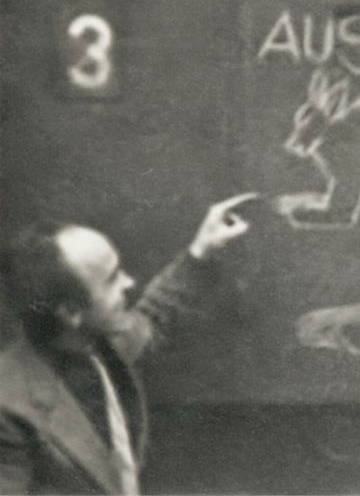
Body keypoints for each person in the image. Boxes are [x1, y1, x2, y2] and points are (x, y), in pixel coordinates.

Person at [0, 193, 257, 494]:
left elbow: (155, 313)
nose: (129, 282)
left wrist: (201, 250)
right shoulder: (8, 405)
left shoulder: (100, 341)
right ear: (71, 312)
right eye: (112, 280)